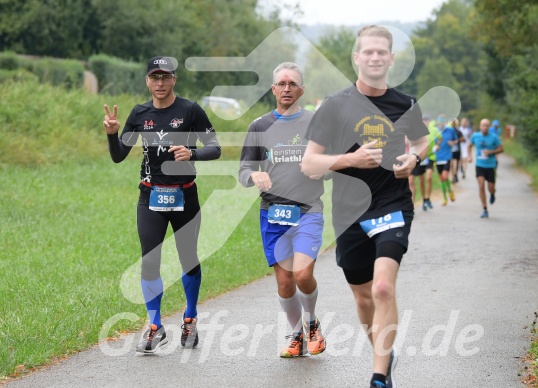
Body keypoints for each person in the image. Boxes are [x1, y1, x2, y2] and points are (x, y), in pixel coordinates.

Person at [301, 26, 429, 388]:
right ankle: (385, 356)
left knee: (383, 288)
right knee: (362, 296)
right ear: (356, 58)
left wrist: (414, 159)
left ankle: (377, 376)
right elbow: (309, 165)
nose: (375, 57)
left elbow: (422, 141)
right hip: (349, 212)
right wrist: (351, 160)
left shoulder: (405, 104)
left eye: (381, 52)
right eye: (368, 52)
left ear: (390, 58)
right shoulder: (334, 105)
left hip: (393, 203)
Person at [102, 56, 221, 353]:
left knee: (188, 258)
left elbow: (215, 148)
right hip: (150, 196)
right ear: (147, 81)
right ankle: (154, 325)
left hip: (184, 195)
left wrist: (192, 155)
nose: (160, 83)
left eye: (165, 77)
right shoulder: (139, 113)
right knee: (150, 261)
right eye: (154, 77)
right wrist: (112, 133)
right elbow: (118, 155)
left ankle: (190, 317)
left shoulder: (191, 110)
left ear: (173, 80)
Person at [239, 62, 326, 358]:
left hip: (308, 210)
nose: (286, 88)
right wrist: (254, 176)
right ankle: (296, 335)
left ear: (302, 90)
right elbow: (244, 167)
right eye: (281, 83)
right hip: (273, 213)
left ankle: (312, 323)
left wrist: (322, 170)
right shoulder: (260, 126)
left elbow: (331, 164)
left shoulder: (316, 123)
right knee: (285, 281)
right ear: (273, 89)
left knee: (302, 274)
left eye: (292, 84)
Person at [468, 118, 503, 218]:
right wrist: (470, 156)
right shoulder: (475, 136)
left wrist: (491, 152)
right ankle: (485, 209)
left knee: (491, 188)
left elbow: (501, 149)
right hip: (480, 165)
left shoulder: (494, 137)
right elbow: (469, 145)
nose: (485, 127)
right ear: (480, 126)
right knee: (481, 185)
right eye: (483, 125)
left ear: (489, 127)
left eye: (487, 125)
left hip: (491, 165)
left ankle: (492, 194)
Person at [434, 115, 458, 206]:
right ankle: (445, 197)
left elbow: (456, 140)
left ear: (444, 123)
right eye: (439, 123)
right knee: (441, 178)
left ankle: (450, 192)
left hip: (447, 156)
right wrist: (434, 147)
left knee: (445, 176)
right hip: (438, 157)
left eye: (442, 123)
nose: (440, 124)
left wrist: (453, 143)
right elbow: (431, 142)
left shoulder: (450, 130)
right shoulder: (435, 131)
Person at [422, 116, 442, 211]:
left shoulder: (434, 130)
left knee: (429, 177)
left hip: (430, 156)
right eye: (423, 120)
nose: (425, 122)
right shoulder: (417, 130)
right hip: (421, 157)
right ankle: (424, 199)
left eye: (426, 120)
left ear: (429, 121)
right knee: (421, 181)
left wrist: (437, 146)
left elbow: (440, 138)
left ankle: (428, 198)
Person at [449, 119, 464, 183]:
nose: (453, 123)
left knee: (457, 164)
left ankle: (456, 174)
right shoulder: (449, 131)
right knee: (451, 164)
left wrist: (457, 141)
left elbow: (463, 139)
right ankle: (453, 176)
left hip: (457, 149)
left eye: (454, 122)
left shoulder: (458, 131)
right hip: (450, 150)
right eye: (452, 122)